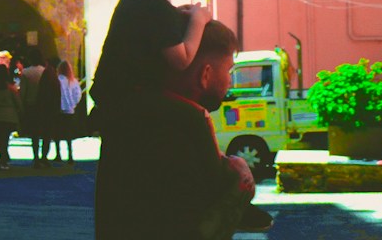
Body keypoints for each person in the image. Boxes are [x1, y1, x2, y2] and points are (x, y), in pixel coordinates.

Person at [92, 0, 212, 236]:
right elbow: (181, 59)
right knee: (195, 118)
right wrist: (198, 20)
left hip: (122, 104)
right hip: (131, 103)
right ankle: (224, 187)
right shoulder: (150, 5)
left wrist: (178, 15)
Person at [95, 20, 267, 240]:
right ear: (205, 75)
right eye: (228, 71)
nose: (229, 82)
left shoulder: (141, 115)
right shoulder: (178, 131)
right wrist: (240, 185)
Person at [24, 54, 61, 167]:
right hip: (47, 106)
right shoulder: (48, 72)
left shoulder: (26, 72)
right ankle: (44, 156)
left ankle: (36, 157)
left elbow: (23, 92)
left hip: (32, 105)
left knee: (34, 134)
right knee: (46, 133)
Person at [52, 61, 82, 164]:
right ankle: (70, 155)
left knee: (57, 132)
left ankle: (58, 154)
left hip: (58, 109)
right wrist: (73, 104)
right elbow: (78, 95)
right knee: (68, 133)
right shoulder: (73, 81)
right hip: (69, 110)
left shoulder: (57, 80)